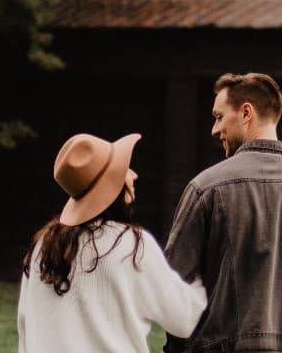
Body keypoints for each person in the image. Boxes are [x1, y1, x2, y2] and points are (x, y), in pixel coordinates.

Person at [164, 72, 282, 353]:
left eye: (218, 117)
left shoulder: (205, 188)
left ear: (245, 112)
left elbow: (174, 284)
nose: (214, 130)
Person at [18, 132, 206, 353]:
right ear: (113, 185)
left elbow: (26, 329)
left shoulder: (43, 247)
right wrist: (206, 270)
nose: (133, 174)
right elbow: (184, 319)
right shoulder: (131, 244)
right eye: (124, 167)